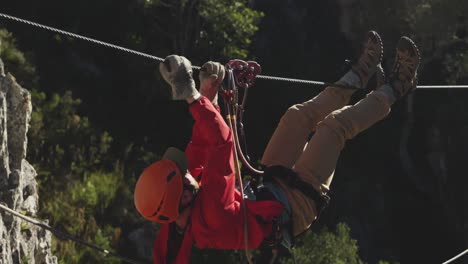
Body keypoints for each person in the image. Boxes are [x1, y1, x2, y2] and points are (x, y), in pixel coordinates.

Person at [133, 31, 420, 264]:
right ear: (181, 197)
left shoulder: (183, 199)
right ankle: (396, 87)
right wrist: (192, 96)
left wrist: (208, 95)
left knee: (297, 116)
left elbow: (200, 144)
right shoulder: (211, 216)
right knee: (334, 127)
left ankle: (358, 75)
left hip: (270, 188)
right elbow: (222, 143)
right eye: (182, 176)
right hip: (298, 205)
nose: (187, 173)